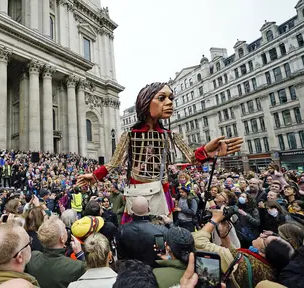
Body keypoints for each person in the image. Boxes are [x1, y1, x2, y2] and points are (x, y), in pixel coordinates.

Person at [77, 82, 243, 224]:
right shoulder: (129, 135)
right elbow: (114, 162)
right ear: (146, 102)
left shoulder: (170, 135)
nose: (170, 102)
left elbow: (191, 158)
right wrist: (95, 176)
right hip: (137, 190)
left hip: (161, 192)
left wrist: (207, 151)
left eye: (171, 98)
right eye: (162, 98)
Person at [26, 216, 86, 288]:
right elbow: (89, 275)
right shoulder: (76, 267)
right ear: (62, 238)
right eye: (64, 229)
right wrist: (80, 254)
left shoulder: (33, 257)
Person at [116, 196, 168, 267]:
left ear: (132, 209)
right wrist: (170, 224)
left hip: (131, 272)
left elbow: (121, 257)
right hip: (155, 272)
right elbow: (164, 255)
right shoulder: (161, 230)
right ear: (149, 209)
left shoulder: (122, 230)